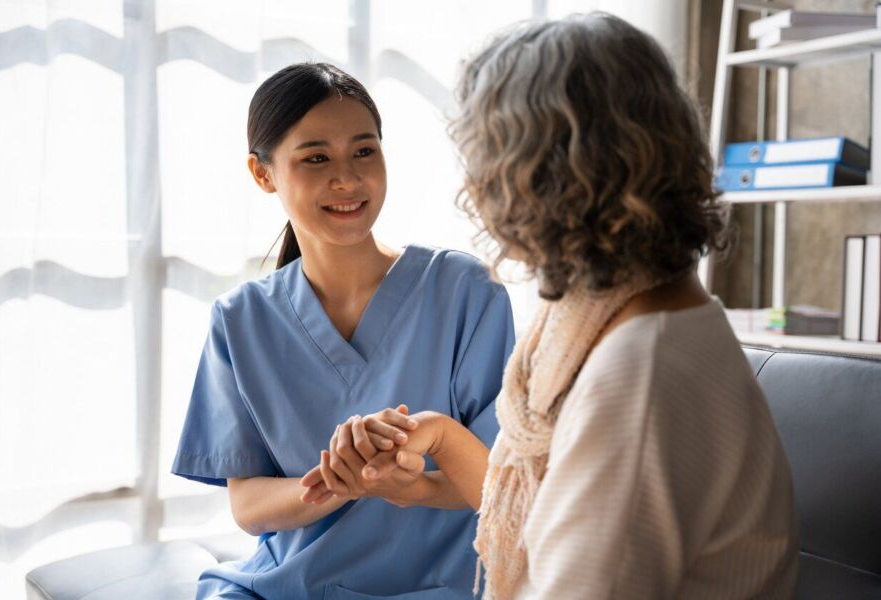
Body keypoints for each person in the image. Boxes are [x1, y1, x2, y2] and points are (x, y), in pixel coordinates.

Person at [303, 13, 799, 599]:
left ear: (543, 179)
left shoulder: (637, 381)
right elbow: (569, 511)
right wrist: (437, 436)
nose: (477, 191)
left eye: (487, 163)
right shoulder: (650, 318)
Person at [171, 62, 515, 599]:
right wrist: (338, 481)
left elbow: (499, 486)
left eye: (364, 151)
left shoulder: (465, 290)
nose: (348, 179)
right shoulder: (240, 319)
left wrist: (411, 485)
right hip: (286, 587)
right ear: (264, 175)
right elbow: (248, 505)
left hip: (438, 588)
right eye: (316, 158)